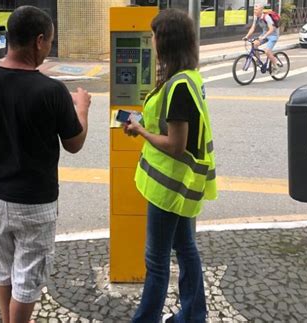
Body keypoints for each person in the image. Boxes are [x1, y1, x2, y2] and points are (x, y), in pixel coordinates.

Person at [0, 5, 90, 323]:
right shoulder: (52, 91)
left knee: (2, 270)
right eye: (50, 42)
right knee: (27, 280)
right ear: (39, 40)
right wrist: (82, 109)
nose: (48, 48)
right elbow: (74, 144)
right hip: (35, 203)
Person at [122, 9, 217, 323]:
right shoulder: (189, 78)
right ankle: (193, 315)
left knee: (157, 260)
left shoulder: (178, 86)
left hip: (169, 188)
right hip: (181, 185)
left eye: (154, 36)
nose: (150, 41)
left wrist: (140, 131)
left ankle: (146, 319)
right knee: (186, 248)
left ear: (166, 41)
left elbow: (175, 145)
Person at [243, 3, 280, 75]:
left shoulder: (266, 17)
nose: (254, 11)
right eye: (254, 9)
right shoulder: (256, 17)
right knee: (254, 44)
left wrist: (263, 37)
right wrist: (247, 36)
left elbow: (271, 29)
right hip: (264, 34)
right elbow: (253, 28)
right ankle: (258, 61)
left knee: (267, 51)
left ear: (261, 10)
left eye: (256, 9)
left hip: (273, 35)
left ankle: (276, 66)